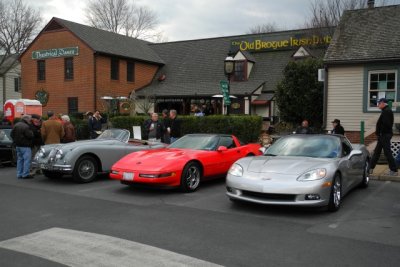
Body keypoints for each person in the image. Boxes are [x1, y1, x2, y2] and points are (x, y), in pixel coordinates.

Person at [370, 98, 397, 176]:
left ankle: (393, 170)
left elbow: (387, 124)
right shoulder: (385, 111)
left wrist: (381, 132)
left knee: (387, 153)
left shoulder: (387, 111)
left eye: (378, 103)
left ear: (383, 103)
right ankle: (370, 168)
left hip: (385, 135)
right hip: (383, 135)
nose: (377, 105)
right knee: (376, 152)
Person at [10, 114, 34, 179]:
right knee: (27, 160)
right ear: (26, 119)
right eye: (29, 119)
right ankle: (25, 174)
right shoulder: (26, 126)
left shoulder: (16, 125)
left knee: (19, 160)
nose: (30, 120)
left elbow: (11, 134)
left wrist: (15, 140)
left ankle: (19, 174)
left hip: (18, 145)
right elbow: (30, 135)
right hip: (25, 145)